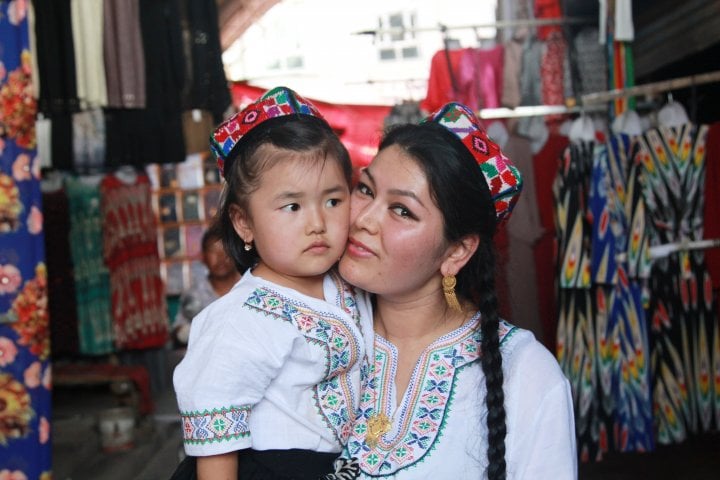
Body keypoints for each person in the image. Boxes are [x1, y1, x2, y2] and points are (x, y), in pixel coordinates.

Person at [337, 103, 577, 479]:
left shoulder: (527, 374)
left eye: (402, 210)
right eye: (365, 189)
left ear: (456, 251)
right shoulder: (315, 330)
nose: (363, 219)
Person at [173, 86, 371, 479]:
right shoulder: (239, 319)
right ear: (244, 222)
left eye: (333, 200)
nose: (317, 223)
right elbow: (216, 443)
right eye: (292, 206)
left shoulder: (350, 280)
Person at [172, 223, 241, 347]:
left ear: (235, 253)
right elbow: (179, 331)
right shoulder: (194, 294)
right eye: (213, 252)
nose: (220, 258)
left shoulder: (250, 288)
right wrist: (187, 333)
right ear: (203, 256)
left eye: (225, 250)